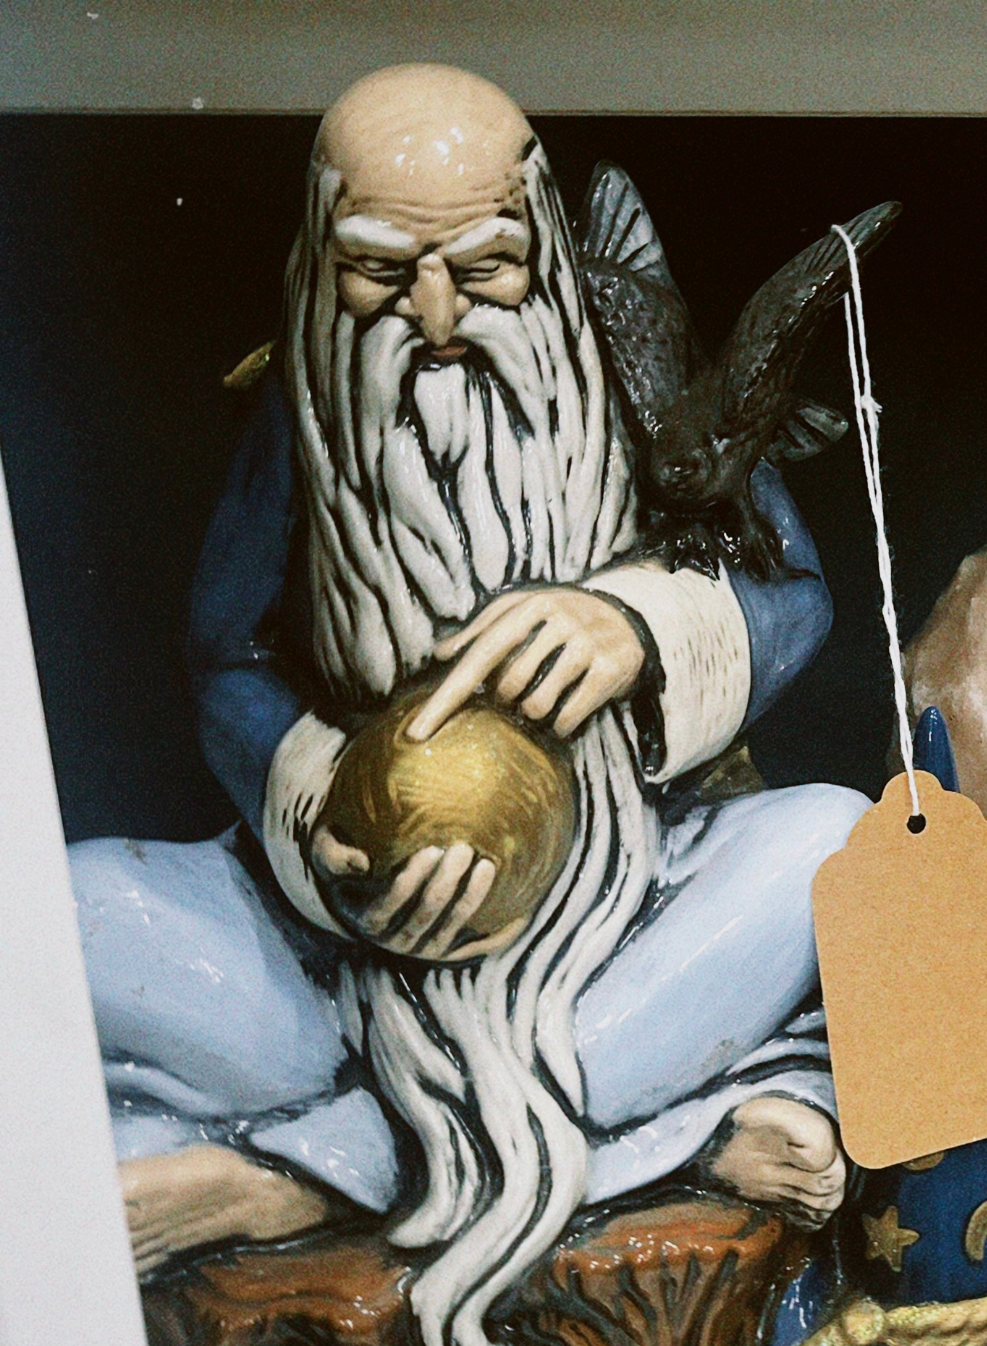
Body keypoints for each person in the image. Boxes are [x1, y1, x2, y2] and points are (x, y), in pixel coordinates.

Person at [72, 63, 868, 1346]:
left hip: (617, 908)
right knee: (64, 915)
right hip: (346, 955)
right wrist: (316, 810)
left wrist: (637, 626)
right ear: (323, 252)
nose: (436, 318)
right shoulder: (310, 402)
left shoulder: (635, 378)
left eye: (483, 267)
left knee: (838, 847)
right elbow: (225, 653)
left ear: (540, 233)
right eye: (382, 276)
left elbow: (792, 592)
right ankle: (657, 1131)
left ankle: (304, 1176)